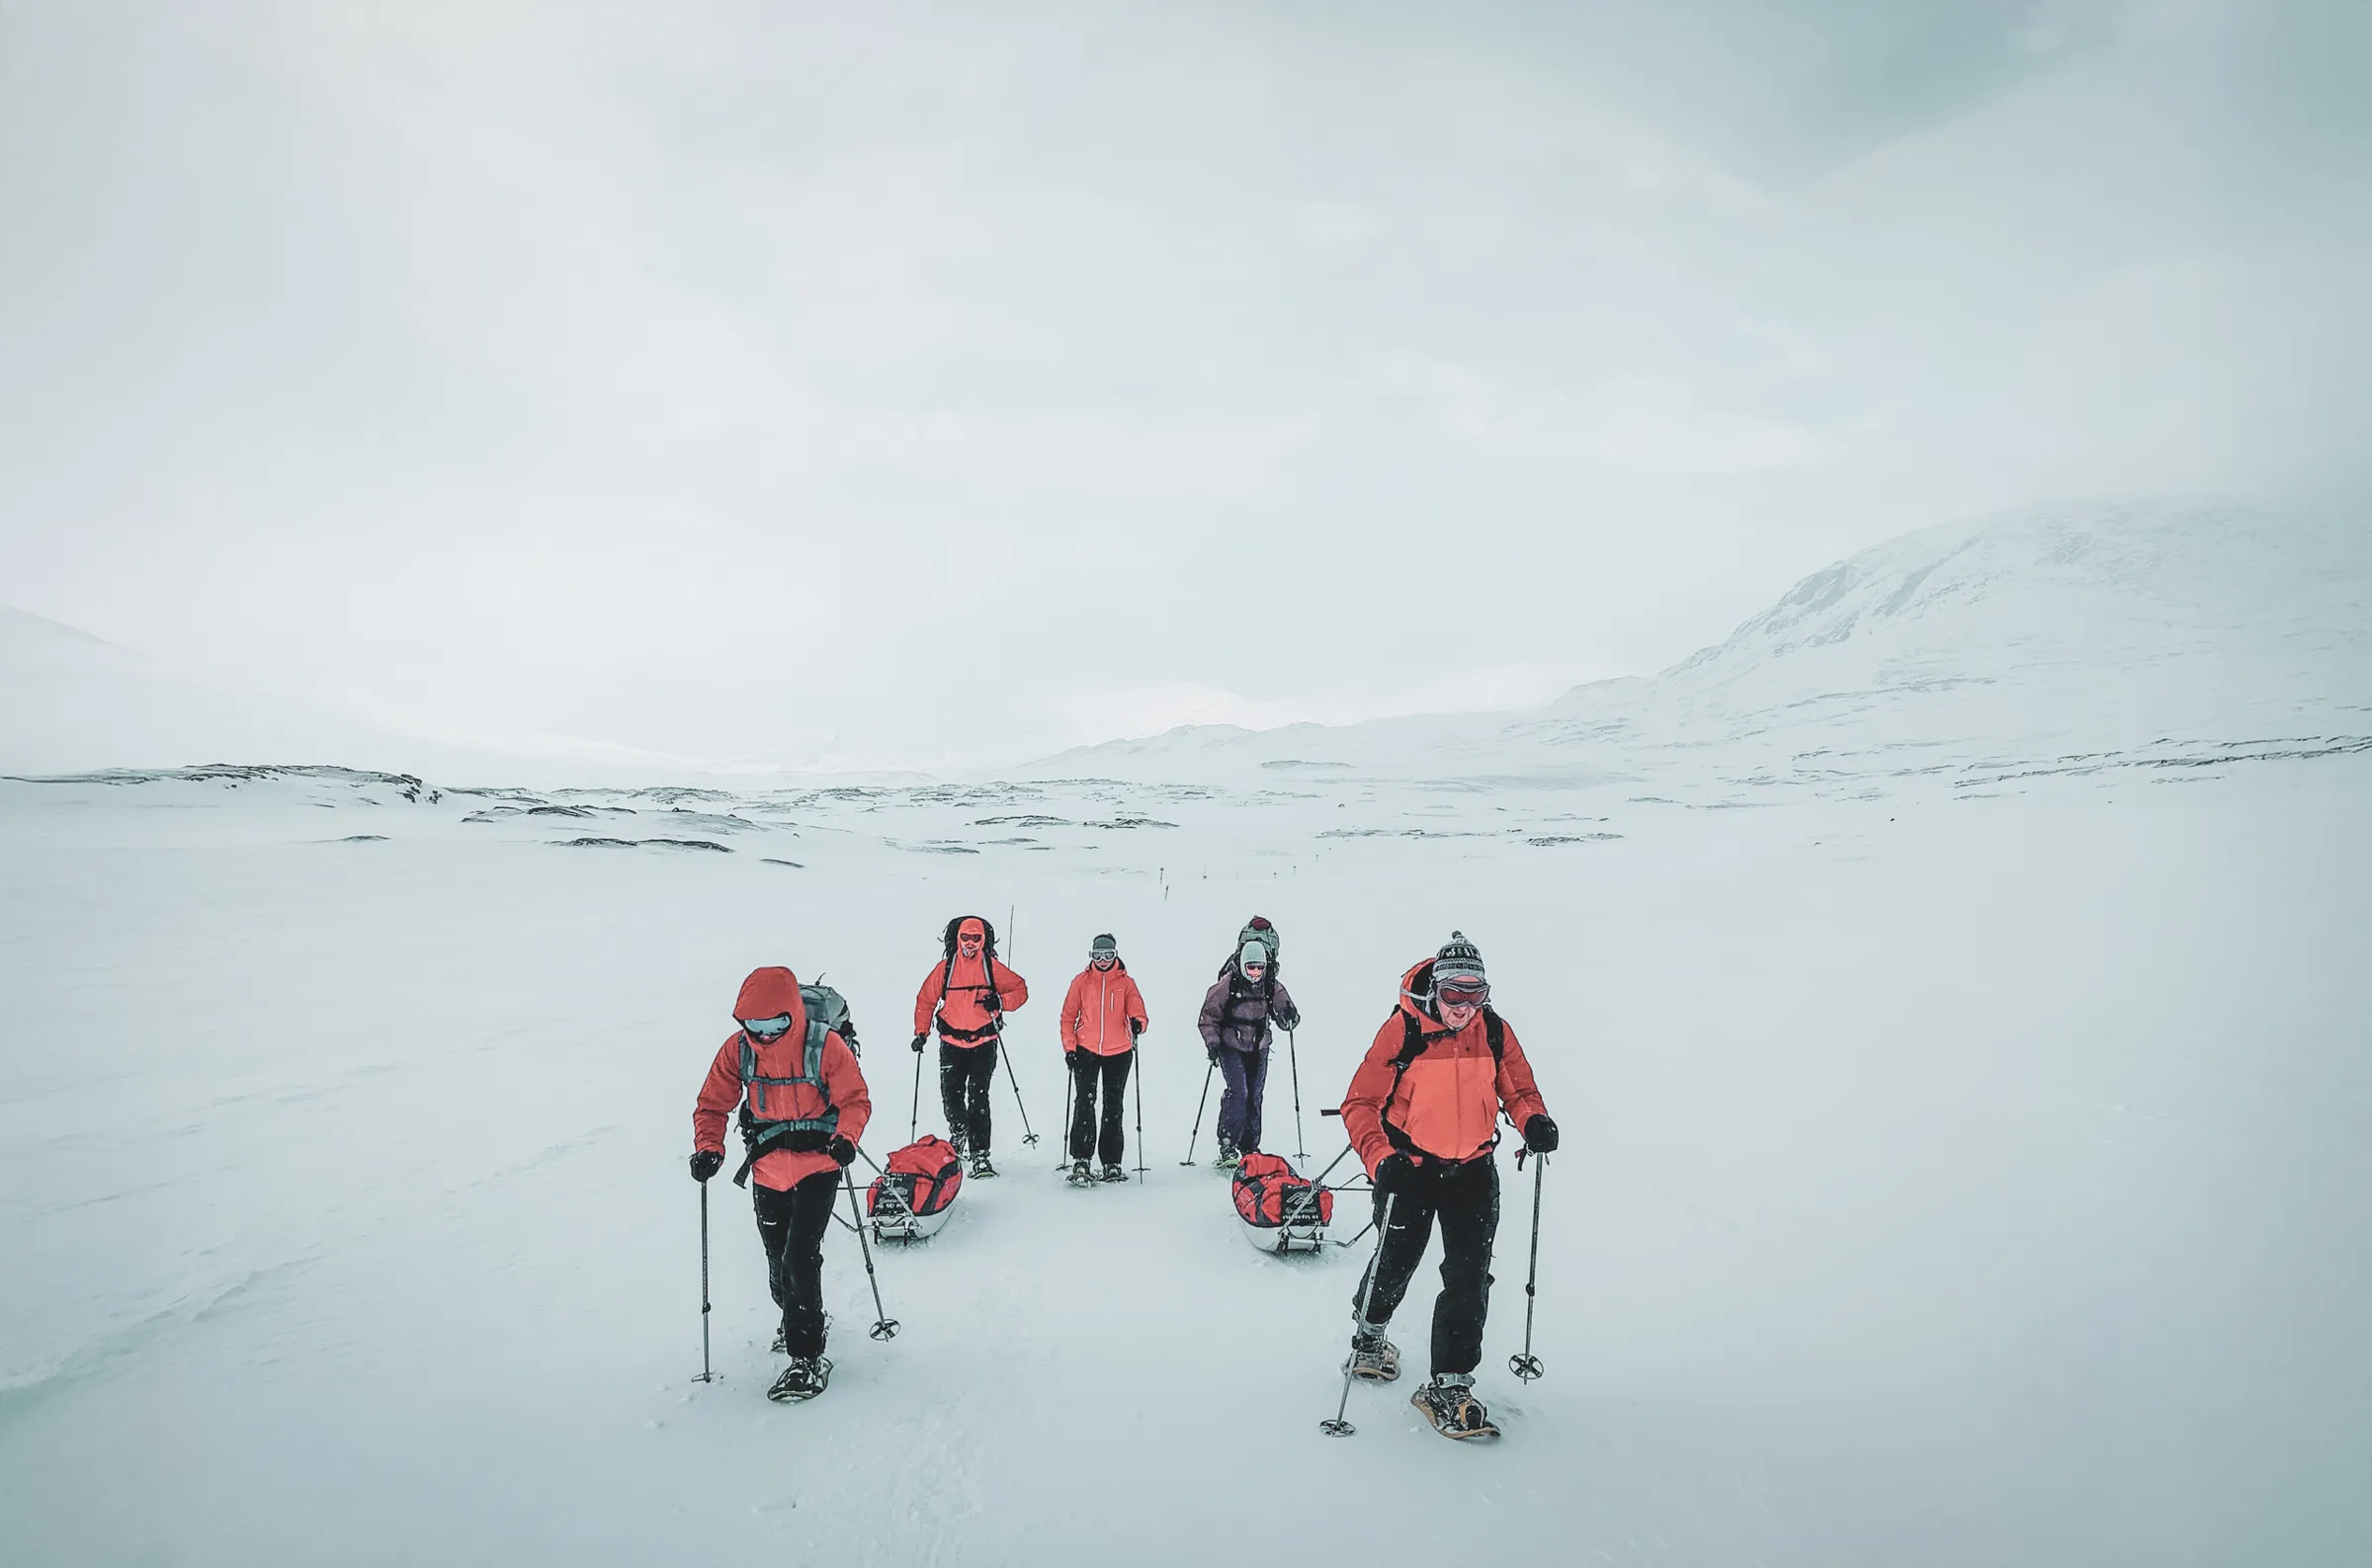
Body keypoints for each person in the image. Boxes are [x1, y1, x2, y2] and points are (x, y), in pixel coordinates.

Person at [1337, 932, 1559, 1441]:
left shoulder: (1495, 1032)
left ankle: (1451, 1383)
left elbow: (1519, 1089)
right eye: (1453, 994)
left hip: (1474, 1172)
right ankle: (1370, 1336)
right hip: (1410, 1168)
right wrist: (1380, 1159)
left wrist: (1533, 1120)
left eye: (1474, 994)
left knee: (1469, 1275)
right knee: (1396, 1257)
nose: (1462, 1006)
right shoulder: (1403, 1030)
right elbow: (1360, 1104)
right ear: (1435, 989)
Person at [689, 965, 872, 1403]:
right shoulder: (738, 1051)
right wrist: (709, 1147)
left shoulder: (824, 1046)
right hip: (767, 1168)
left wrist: (846, 1138)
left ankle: (806, 1358)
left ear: (793, 1014)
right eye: (755, 1025)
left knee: (798, 1257)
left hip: (819, 1167)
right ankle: (797, 1316)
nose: (765, 1034)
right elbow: (712, 1103)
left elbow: (854, 1099)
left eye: (775, 1024)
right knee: (777, 1259)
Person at [911, 915, 1029, 1178]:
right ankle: (959, 1130)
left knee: (978, 1098)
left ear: (983, 940)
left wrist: (999, 1001)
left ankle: (980, 1154)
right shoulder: (945, 968)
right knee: (951, 1096)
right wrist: (921, 1032)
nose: (971, 943)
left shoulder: (991, 967)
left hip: (984, 1044)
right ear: (957, 938)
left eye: (976, 938)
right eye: (966, 937)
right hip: (950, 1043)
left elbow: (1020, 991)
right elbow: (926, 1000)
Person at [1196, 928, 1299, 1168]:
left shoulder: (1271, 984)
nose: (1255, 973)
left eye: (1259, 968)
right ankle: (1228, 1144)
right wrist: (1212, 1044)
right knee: (1239, 1092)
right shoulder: (1227, 985)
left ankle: (1250, 1147)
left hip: (1259, 1046)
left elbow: (1285, 1013)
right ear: (1242, 965)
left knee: (1255, 1096)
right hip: (1230, 1045)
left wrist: (1290, 1017)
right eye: (1251, 967)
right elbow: (1208, 1016)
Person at [1059, 933, 1149, 1183]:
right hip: (1086, 1051)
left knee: (1113, 1106)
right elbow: (1068, 1018)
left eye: (1108, 955)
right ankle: (1081, 1158)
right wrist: (1070, 1048)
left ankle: (1111, 1161)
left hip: (1119, 1052)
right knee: (1084, 1103)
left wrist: (1137, 1023)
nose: (1102, 960)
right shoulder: (1081, 982)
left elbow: (1139, 1011)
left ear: (1115, 955)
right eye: (1097, 955)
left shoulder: (1125, 983)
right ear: (1091, 956)